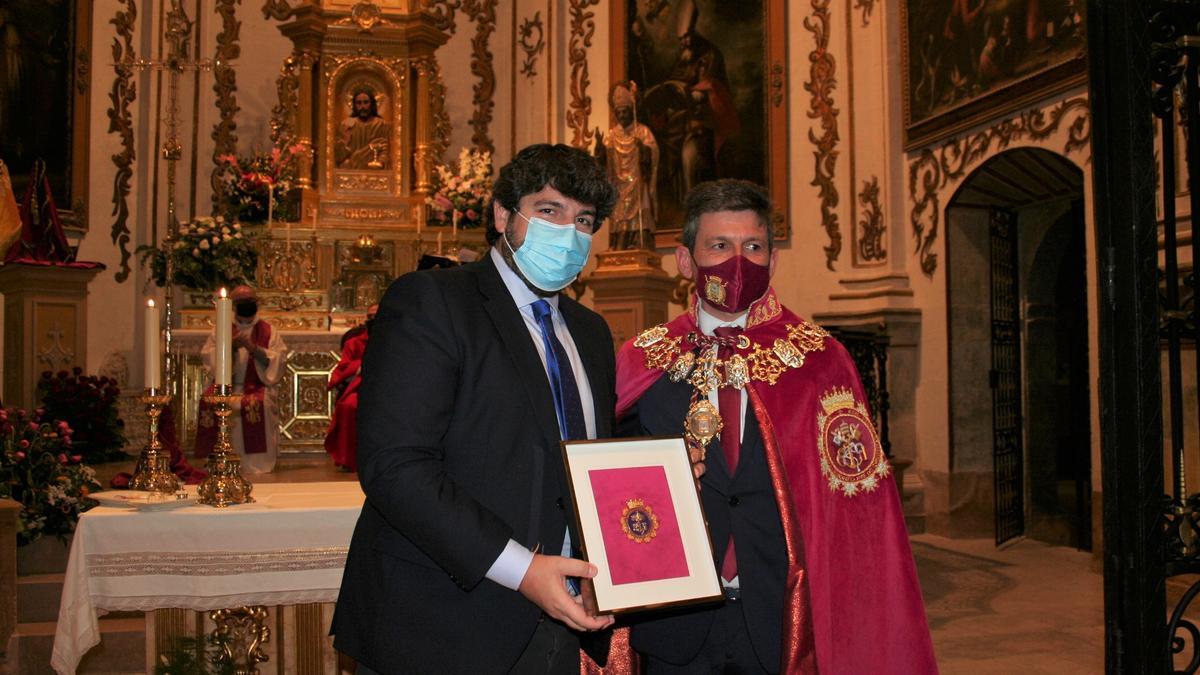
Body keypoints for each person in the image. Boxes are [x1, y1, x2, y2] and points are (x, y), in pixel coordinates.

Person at [614, 180, 937, 673]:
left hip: (780, 617)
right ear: (685, 261)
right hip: (674, 621)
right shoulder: (642, 358)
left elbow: (859, 509)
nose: (737, 261)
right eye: (719, 246)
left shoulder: (821, 360)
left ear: (772, 259)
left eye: (753, 247)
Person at [331, 143, 620, 674]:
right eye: (549, 211)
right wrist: (523, 569)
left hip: (561, 625)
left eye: (584, 221)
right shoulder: (431, 301)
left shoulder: (591, 332)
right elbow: (395, 465)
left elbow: (584, 461)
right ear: (503, 214)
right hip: (439, 625)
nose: (568, 234)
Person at [194, 285, 289, 474]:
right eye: (241, 303)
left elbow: (279, 360)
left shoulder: (269, 331)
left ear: (256, 303)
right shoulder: (221, 330)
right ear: (233, 305)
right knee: (210, 401)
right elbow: (208, 357)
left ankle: (256, 464)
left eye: (250, 302)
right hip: (227, 387)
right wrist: (229, 347)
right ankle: (219, 460)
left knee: (259, 404)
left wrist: (255, 349)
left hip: (256, 386)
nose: (246, 305)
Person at [595, 81, 659, 251]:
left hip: (637, 183)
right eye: (619, 113)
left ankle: (639, 242)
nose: (622, 116)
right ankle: (620, 245)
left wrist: (643, 150)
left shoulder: (642, 132)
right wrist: (600, 150)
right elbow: (602, 164)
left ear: (632, 111)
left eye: (625, 112)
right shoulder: (611, 136)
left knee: (641, 209)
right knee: (619, 214)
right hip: (619, 186)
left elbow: (653, 154)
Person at [324, 304, 377, 472]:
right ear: (366, 319)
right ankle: (349, 459)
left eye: (377, 316)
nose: (374, 320)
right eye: (370, 316)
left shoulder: (396, 340)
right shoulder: (354, 342)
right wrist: (361, 365)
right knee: (349, 406)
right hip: (360, 386)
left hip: (389, 388)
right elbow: (343, 369)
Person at [335, 87, 389, 169]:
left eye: (366, 102)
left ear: (372, 104)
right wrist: (345, 139)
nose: (362, 106)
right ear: (354, 105)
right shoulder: (346, 124)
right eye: (359, 103)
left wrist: (380, 162)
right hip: (350, 170)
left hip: (375, 170)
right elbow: (339, 156)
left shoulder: (380, 124)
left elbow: (385, 149)